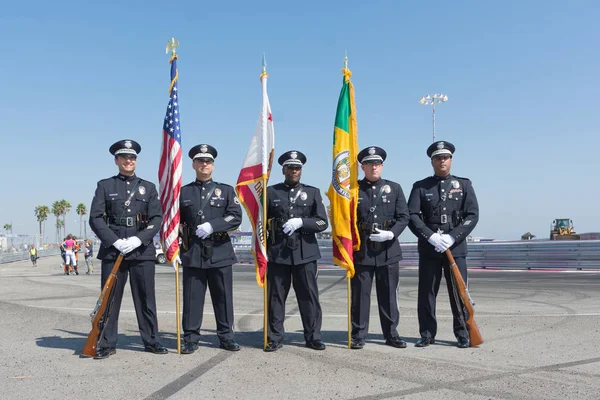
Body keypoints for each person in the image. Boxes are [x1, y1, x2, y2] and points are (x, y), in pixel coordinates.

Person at [89, 139, 167, 359]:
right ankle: (106, 342)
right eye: (124, 157)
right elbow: (95, 218)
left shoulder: (148, 187)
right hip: (114, 251)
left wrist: (138, 240)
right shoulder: (105, 185)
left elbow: (156, 218)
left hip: (141, 251)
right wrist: (114, 241)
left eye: (132, 157)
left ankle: (152, 340)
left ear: (136, 161)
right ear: (116, 160)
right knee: (110, 299)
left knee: (146, 298)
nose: (128, 161)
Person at [407, 141, 479, 348]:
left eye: (445, 157)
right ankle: (427, 334)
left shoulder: (464, 185)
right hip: (430, 248)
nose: (442, 161)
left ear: (451, 160)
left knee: (459, 292)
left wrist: (453, 236)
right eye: (438, 158)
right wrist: (429, 236)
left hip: (455, 249)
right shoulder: (420, 187)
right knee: (427, 293)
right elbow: (412, 215)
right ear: (432, 161)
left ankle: (463, 333)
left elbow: (472, 215)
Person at [175, 144, 242, 354]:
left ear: (213, 165)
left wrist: (213, 226)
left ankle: (226, 336)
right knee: (192, 298)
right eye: (201, 161)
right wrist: (174, 247)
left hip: (220, 250)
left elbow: (235, 216)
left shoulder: (226, 190)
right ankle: (191, 338)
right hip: (193, 250)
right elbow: (174, 221)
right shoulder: (183, 192)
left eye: (209, 161)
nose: (205, 164)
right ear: (194, 164)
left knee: (223, 297)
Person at [264, 150, 329, 352]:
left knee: (308, 297)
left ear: (301, 170)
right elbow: (260, 222)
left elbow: (322, 222)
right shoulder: (271, 192)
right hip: (278, 253)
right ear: (283, 169)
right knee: (275, 298)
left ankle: (313, 336)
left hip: (305, 253)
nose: (294, 171)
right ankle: (274, 337)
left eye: (297, 168)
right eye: (290, 167)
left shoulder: (313, 192)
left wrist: (302, 222)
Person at [350, 146, 410, 350]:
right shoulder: (353, 190)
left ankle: (391, 334)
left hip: (388, 250)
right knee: (360, 297)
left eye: (377, 164)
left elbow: (404, 216)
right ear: (362, 167)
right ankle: (358, 334)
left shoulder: (395, 188)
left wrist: (391, 233)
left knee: (389, 296)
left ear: (382, 166)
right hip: (362, 250)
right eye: (369, 164)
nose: (373, 167)